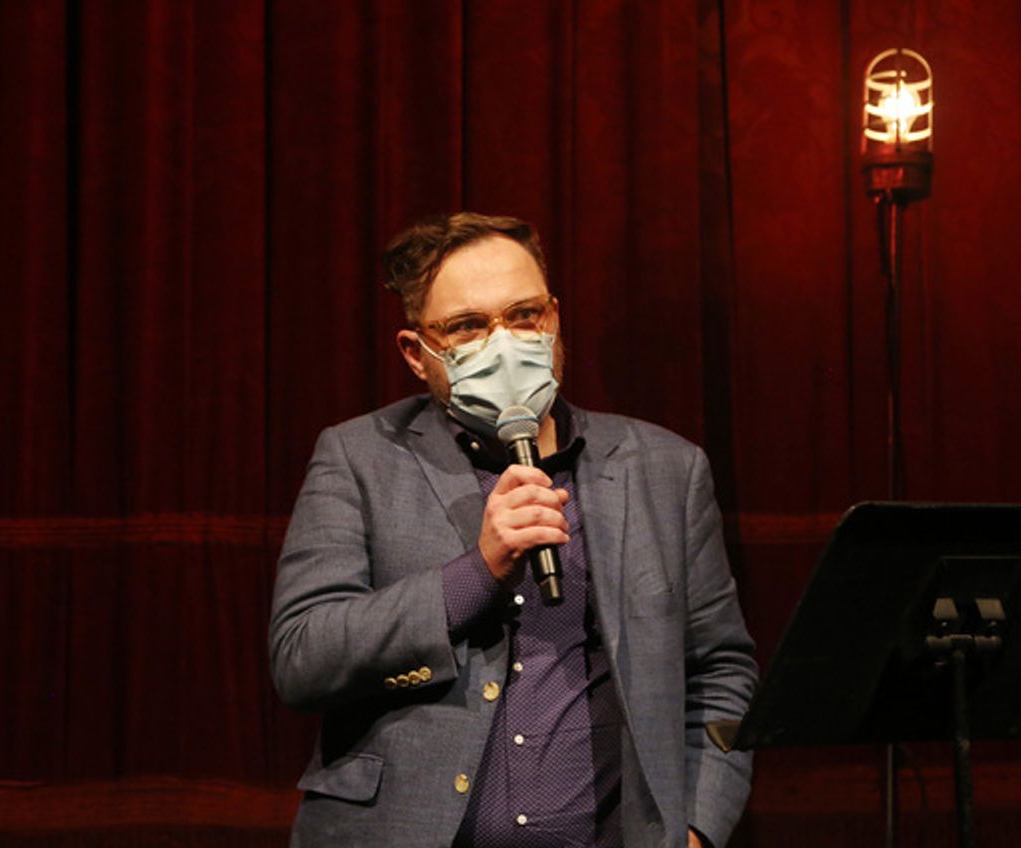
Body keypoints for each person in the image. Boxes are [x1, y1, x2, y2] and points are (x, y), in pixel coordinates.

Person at [269, 212, 757, 848]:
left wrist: (697, 827)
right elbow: (304, 658)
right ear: (417, 353)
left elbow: (720, 670)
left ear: (552, 318)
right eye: (469, 326)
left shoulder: (665, 468)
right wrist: (478, 572)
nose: (504, 342)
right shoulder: (359, 458)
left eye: (523, 315)